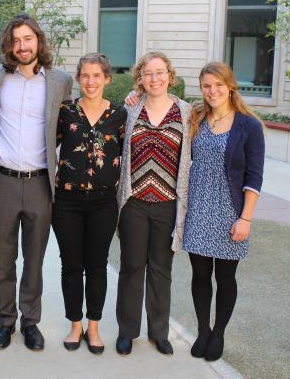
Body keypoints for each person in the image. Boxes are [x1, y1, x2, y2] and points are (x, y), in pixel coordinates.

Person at [0, 13, 72, 351]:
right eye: (16, 41)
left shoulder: (59, 81)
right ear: (9, 46)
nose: (22, 46)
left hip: (41, 182)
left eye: (27, 39)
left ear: (38, 41)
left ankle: (31, 322)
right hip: (3, 181)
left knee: (34, 258)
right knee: (4, 257)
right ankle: (6, 321)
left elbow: (76, 119)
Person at [182, 61, 264, 361]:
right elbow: (161, 103)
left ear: (230, 85)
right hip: (198, 208)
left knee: (225, 278)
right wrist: (134, 95)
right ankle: (203, 330)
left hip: (230, 211)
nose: (213, 91)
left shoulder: (249, 125)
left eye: (218, 84)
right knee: (200, 274)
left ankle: (218, 333)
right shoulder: (196, 117)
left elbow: (254, 176)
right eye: (207, 86)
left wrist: (246, 218)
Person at [115, 51, 192, 356]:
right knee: (131, 267)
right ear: (141, 78)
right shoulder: (131, 109)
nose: (155, 78)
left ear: (169, 76)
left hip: (167, 204)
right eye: (148, 73)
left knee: (161, 269)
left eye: (160, 72)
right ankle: (127, 331)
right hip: (134, 201)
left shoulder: (186, 113)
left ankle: (159, 332)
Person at [52, 53, 126, 354]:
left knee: (97, 265)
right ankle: (75, 324)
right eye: (85, 76)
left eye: (97, 76)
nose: (90, 81)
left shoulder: (121, 115)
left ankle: (93, 327)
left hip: (103, 202)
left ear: (107, 78)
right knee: (71, 265)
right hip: (67, 201)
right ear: (78, 78)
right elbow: (45, 143)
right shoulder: (65, 111)